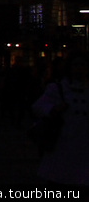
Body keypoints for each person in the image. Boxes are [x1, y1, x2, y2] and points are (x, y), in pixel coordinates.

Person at [31, 51, 89, 186]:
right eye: (76, 65)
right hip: (63, 142)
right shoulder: (58, 88)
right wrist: (53, 109)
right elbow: (38, 106)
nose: (79, 69)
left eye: (83, 65)